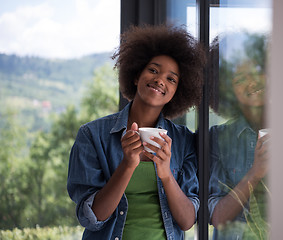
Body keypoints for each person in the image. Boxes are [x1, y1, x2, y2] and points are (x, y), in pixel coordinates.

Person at [67, 24, 206, 240]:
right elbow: (91, 218)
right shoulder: (92, 135)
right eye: (153, 70)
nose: (160, 80)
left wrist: (166, 174)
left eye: (171, 79)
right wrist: (127, 165)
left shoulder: (184, 140)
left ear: (177, 92)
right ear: (135, 75)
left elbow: (187, 221)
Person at [208, 33, 270, 239]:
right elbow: (217, 217)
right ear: (226, 88)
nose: (251, 82)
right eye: (240, 78)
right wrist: (256, 172)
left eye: (257, 70)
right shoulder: (219, 138)